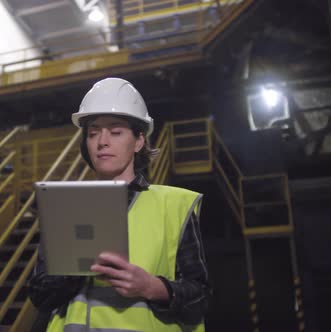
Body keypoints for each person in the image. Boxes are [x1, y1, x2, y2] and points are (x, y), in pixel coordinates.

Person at [28, 77, 211, 332]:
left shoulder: (174, 206)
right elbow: (39, 295)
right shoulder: (65, 208)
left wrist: (152, 287)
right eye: (93, 133)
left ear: (138, 141)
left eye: (115, 132)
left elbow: (201, 298)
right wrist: (73, 270)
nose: (102, 141)